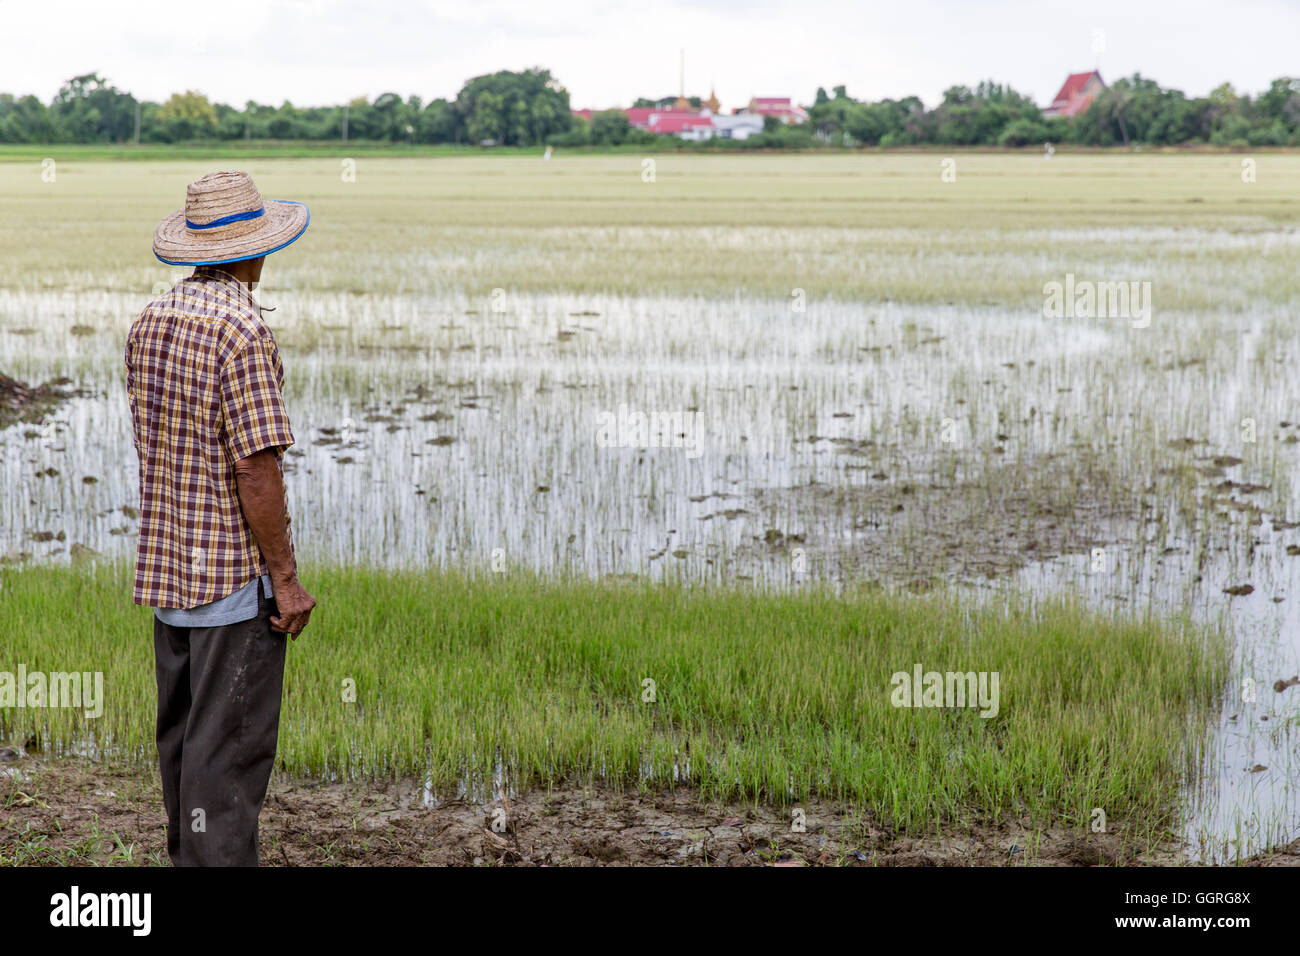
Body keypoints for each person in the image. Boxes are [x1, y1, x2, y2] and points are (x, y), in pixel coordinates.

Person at [125, 169, 316, 866]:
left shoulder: (151, 320)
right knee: (227, 761)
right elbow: (255, 468)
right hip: (233, 589)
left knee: (181, 745)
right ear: (253, 251)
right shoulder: (241, 331)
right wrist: (286, 579)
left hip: (170, 580)